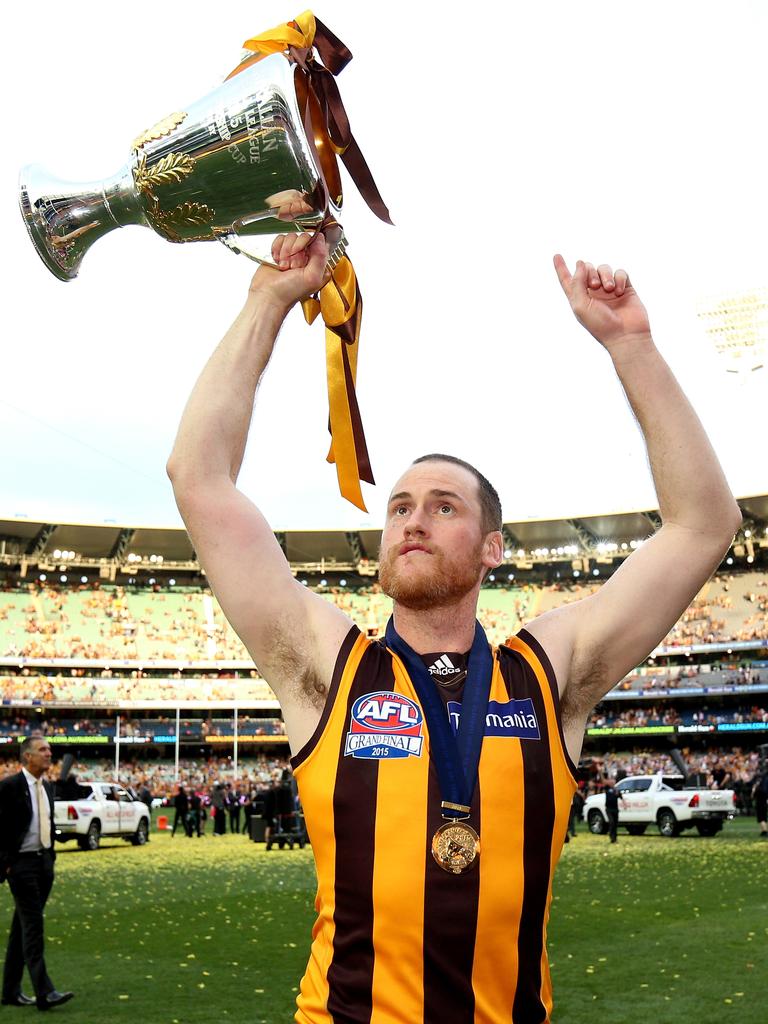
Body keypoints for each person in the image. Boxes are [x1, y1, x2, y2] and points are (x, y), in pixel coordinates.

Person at [167, 234, 742, 1023]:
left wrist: (632, 347)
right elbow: (199, 479)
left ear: (493, 547)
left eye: (444, 507)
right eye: (399, 507)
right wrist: (268, 298)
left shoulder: (549, 673)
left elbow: (704, 525)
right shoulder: (329, 665)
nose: (413, 520)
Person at [0, 738, 74, 1010]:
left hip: (43, 864)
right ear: (27, 756)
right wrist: (6, 863)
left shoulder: (48, 787)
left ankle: (10, 991)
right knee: (33, 927)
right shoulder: (9, 787)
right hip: (21, 866)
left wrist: (51, 856)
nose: (48, 753)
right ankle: (45, 991)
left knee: (21, 928)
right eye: (42, 750)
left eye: (49, 750)